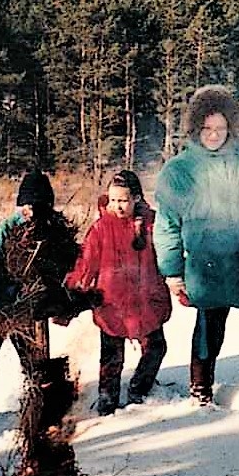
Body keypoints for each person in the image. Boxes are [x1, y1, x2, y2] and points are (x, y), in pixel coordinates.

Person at [154, 85, 239, 406]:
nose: (214, 135)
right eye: (207, 128)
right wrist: (172, 271)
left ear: (231, 127)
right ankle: (201, 389)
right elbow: (167, 226)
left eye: (221, 128)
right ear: (196, 128)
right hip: (206, 264)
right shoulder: (178, 171)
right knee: (208, 328)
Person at [0, 169, 80, 430]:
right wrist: (16, 296)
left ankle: (43, 414)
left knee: (37, 364)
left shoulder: (53, 232)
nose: (29, 212)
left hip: (30, 311)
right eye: (25, 206)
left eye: (35, 206)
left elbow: (63, 269)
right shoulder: (4, 232)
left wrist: (56, 298)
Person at [64, 170, 172, 415]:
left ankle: (139, 388)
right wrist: (73, 292)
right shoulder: (101, 228)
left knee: (156, 347)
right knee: (112, 357)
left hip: (146, 301)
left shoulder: (152, 224)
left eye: (123, 200)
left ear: (136, 198)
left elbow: (169, 252)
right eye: (113, 200)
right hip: (112, 302)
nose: (117, 206)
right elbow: (86, 264)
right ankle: (107, 399)